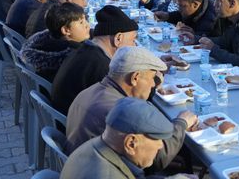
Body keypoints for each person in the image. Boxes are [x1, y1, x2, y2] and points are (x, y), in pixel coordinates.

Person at [65, 46, 196, 155]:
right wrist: (181, 123)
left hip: (82, 162)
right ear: (135, 78)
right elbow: (159, 156)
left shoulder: (92, 90)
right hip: (105, 173)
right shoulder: (121, 111)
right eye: (152, 78)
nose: (153, 84)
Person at [52, 6, 139, 114]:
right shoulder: (101, 65)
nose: (134, 46)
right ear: (118, 38)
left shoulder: (84, 50)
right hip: (74, 121)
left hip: (64, 115)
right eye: (133, 40)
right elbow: (127, 104)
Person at [20, 2, 90, 81]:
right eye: (81, 22)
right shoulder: (75, 58)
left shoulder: (45, 44)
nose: (87, 25)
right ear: (66, 30)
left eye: (85, 20)